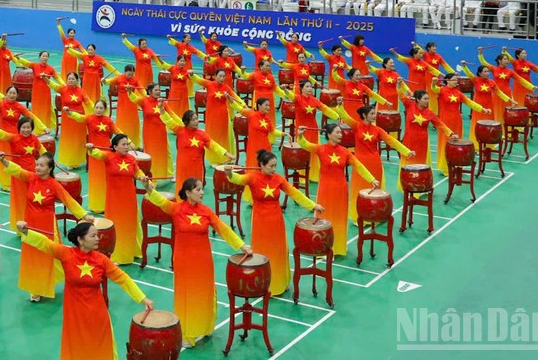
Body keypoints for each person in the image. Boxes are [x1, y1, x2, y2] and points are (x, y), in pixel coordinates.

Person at [17, 220, 153, 358]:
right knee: (77, 349)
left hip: (97, 316)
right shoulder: (66, 254)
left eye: (97, 235)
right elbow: (45, 243)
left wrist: (143, 298)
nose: (98, 238)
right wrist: (25, 231)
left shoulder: (101, 260)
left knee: (100, 348)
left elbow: (123, 279)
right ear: (80, 240)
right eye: (93, 236)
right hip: (74, 316)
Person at [144, 176, 248, 347]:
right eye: (198, 189)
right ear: (188, 193)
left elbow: (223, 229)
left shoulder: (206, 211)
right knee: (187, 296)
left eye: (201, 189)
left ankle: (204, 326)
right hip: (183, 262)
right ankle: (187, 332)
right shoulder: (176, 209)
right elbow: (158, 199)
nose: (202, 192)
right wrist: (147, 186)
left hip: (203, 261)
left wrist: (241, 246)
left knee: (203, 293)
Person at [225, 150, 322, 295]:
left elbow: (295, 193)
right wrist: (229, 173)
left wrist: (313, 206)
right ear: (262, 165)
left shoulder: (278, 179)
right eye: (271, 166)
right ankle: (262, 283)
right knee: (262, 251)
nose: (273, 169)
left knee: (278, 251)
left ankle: (280, 282)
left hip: (276, 221)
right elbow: (236, 179)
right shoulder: (252, 177)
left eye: (275, 166)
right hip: (260, 222)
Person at [1, 152, 91, 301]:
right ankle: (36, 288)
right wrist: (3, 160)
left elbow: (68, 200)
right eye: (37, 164)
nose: (37, 167)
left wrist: (84, 215)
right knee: (33, 257)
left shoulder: (54, 184)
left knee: (48, 256)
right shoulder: (31, 178)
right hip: (30, 226)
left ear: (50, 168)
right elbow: (17, 170)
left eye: (41, 165)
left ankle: (66, 279)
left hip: (47, 226)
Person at [297, 123, 379, 256]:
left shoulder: (345, 152)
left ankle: (337, 248)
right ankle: (322, 248)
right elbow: (305, 145)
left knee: (339, 218)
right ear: (329, 135)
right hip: (325, 189)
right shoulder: (321, 149)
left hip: (341, 190)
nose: (341, 135)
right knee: (323, 217)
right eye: (337, 132)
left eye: (341, 132)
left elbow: (358, 166)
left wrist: (371, 179)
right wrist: (300, 135)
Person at [336, 102, 411, 221]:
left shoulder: (377, 130)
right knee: (359, 189)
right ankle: (359, 216)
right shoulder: (356, 126)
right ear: (364, 115)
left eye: (374, 113)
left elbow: (392, 141)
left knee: (374, 189)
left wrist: (406, 151)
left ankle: (375, 215)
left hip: (375, 162)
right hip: (360, 163)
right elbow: (344, 116)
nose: (374, 116)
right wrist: (340, 105)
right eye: (372, 114)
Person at [86, 134, 149, 264]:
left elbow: (137, 172)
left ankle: (132, 251)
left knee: (130, 224)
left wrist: (143, 178)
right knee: (117, 225)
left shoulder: (131, 159)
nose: (126, 147)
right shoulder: (108, 157)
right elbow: (96, 153)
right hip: (114, 199)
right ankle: (118, 255)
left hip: (129, 198)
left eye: (127, 144)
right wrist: (90, 148)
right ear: (115, 147)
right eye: (123, 144)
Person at [0, 85, 47, 189]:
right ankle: (6, 183)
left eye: (14, 93)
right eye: (10, 93)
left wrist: (43, 127)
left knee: (15, 159)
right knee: (4, 158)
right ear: (6, 94)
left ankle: (16, 181)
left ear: (17, 95)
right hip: (2, 135)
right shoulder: (1, 103)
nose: (12, 95)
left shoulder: (19, 106)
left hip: (16, 138)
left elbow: (31, 116)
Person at [395, 85, 455, 186]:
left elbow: (440, 124)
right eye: (425, 99)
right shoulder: (410, 105)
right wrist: (399, 85)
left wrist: (451, 133)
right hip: (409, 140)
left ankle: (419, 186)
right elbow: (401, 95)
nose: (427, 101)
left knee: (419, 163)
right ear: (418, 99)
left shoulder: (429, 113)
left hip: (422, 142)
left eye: (428, 99)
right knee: (408, 163)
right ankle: (407, 185)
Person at [160, 106, 233, 188]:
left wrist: (226, 153)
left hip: (197, 168)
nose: (196, 121)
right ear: (186, 122)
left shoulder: (202, 135)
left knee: (195, 189)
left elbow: (214, 146)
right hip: (183, 168)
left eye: (197, 119)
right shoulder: (179, 130)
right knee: (183, 189)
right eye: (193, 120)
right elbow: (169, 121)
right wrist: (162, 110)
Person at [431, 73, 487, 174]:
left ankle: (456, 165)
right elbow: (434, 89)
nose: (456, 81)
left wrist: (482, 109)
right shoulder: (441, 90)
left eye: (457, 79)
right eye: (454, 79)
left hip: (457, 121)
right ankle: (446, 168)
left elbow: (470, 102)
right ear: (447, 80)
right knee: (445, 143)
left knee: (457, 143)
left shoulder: (458, 93)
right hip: (445, 121)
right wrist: (433, 83)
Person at [229, 97, 290, 170]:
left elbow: (273, 131)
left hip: (265, 147)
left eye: (269, 105)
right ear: (259, 106)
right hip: (254, 147)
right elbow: (239, 108)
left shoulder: (267, 119)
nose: (268, 107)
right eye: (266, 105)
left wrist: (285, 134)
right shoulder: (251, 114)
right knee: (254, 167)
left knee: (266, 168)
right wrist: (229, 99)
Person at [477, 47, 535, 124]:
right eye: (505, 59)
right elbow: (483, 62)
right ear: (499, 61)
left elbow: (521, 80)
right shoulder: (494, 69)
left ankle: (507, 128)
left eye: (507, 59)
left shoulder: (510, 71)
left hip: (507, 93)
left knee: (507, 112)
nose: (507, 61)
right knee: (496, 110)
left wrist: (531, 86)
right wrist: (480, 53)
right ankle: (497, 126)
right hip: (497, 94)